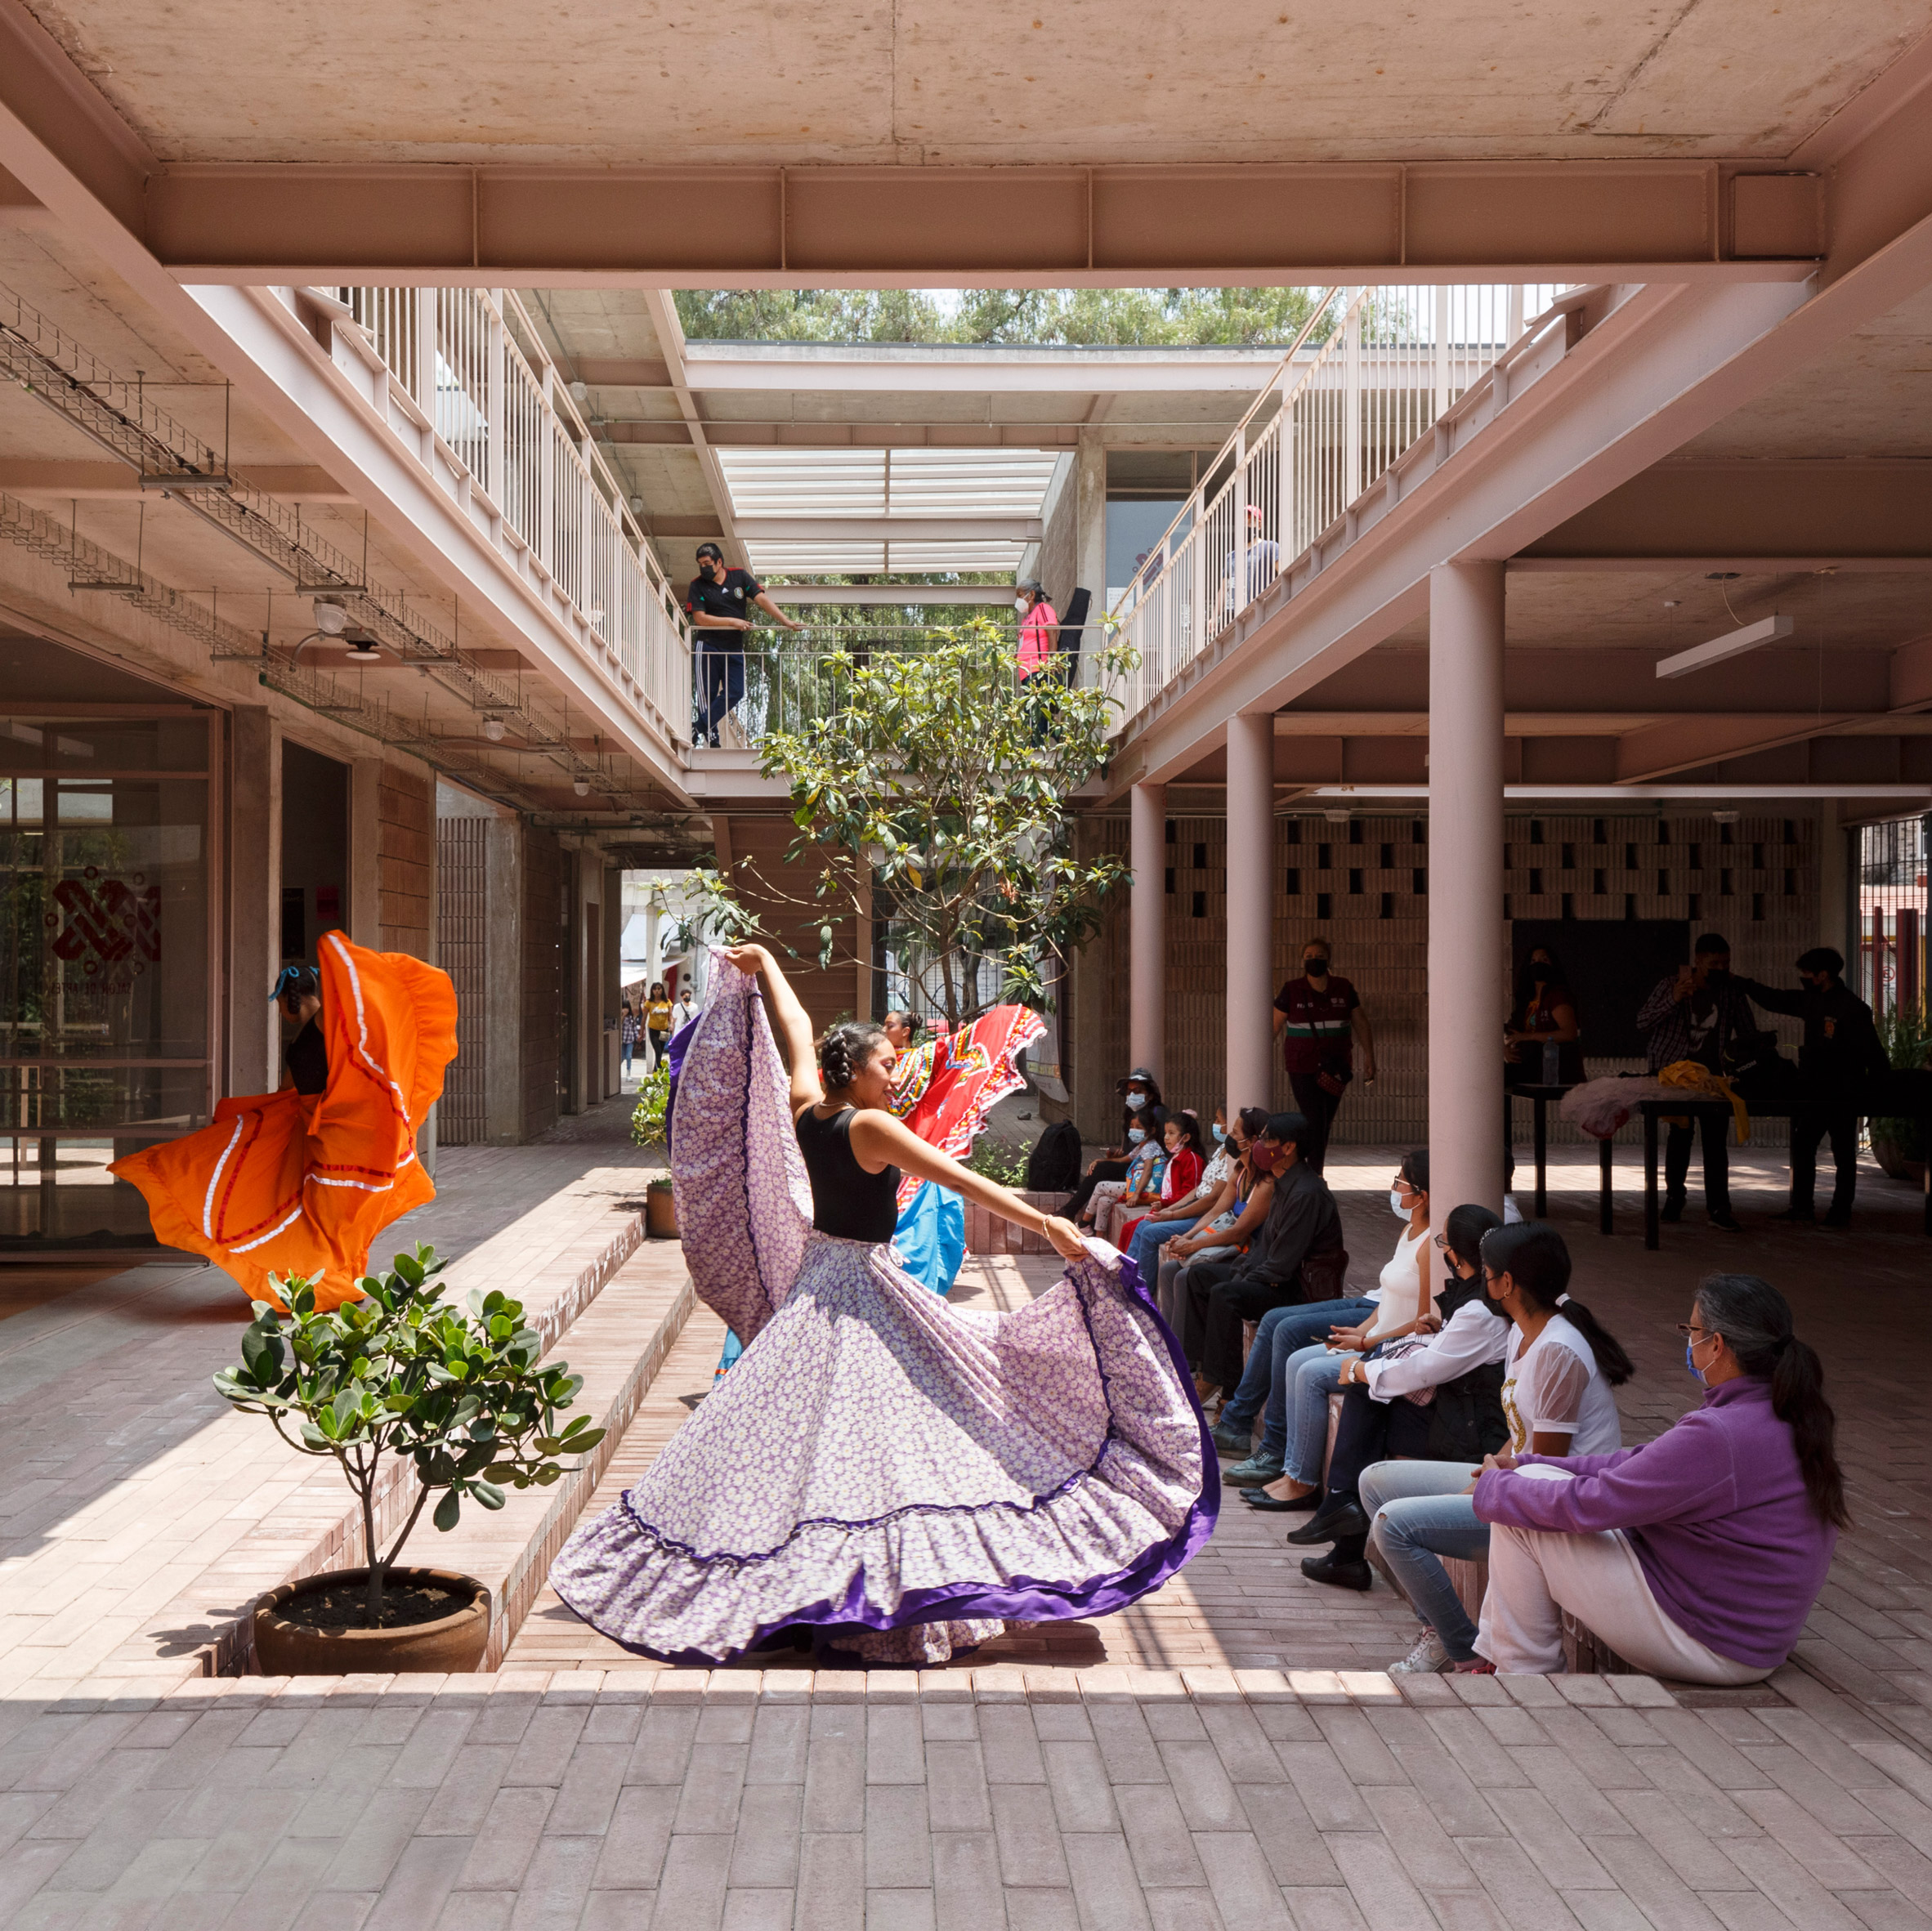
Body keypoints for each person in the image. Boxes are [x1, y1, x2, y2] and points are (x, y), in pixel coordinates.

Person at [548, 946, 1216, 1665]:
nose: (896, 1073)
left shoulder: (808, 1111)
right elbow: (960, 1177)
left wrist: (767, 963)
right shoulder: (873, 1127)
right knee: (890, 1436)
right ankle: (864, 1591)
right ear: (857, 1071)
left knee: (828, 1444)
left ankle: (826, 1584)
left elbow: (796, 1029)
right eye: (886, 1064)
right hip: (861, 1289)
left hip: (818, 1285)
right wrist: (1047, 1225)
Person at [1471, 1272, 1844, 1682]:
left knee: (1517, 1511)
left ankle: (1524, 1677)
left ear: (1717, 1344)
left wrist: (1496, 1488)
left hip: (1714, 1644)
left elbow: (1596, 1503)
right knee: (1529, 1482)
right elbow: (1637, 1464)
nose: (1689, 1342)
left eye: (1692, 1331)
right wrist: (1527, 1465)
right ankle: (1501, 1660)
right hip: (1745, 1636)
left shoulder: (1723, 1433)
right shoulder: (1777, 1413)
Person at [108, 935, 458, 1310]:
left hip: (336, 1129)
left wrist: (336, 953)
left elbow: (348, 1019)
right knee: (320, 1215)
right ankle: (326, 1282)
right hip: (313, 1129)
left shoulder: (323, 1024)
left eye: (280, 1005)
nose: (280, 1012)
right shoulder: (307, 1034)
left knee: (331, 1215)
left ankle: (331, 1281)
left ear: (294, 1000)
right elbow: (288, 1090)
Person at [1302, 1218, 1630, 1614]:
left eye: (1485, 1273)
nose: (1478, 1283)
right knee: (1374, 1481)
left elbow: (1548, 1466)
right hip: (1515, 1478)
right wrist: (1482, 1479)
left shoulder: (1557, 1350)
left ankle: (1448, 1635)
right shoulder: (1521, 1332)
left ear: (1506, 1283)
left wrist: (1483, 1487)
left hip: (1553, 1506)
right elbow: (1522, 1436)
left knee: (1396, 1525)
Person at [1221, 1150, 1433, 1491]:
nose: (1394, 1188)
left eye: (1400, 1182)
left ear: (1421, 1195)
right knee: (1295, 1359)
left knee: (1308, 1371)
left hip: (1391, 1350)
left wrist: (1365, 1342)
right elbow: (1387, 1302)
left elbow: (1422, 1323)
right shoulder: (1408, 1230)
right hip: (1373, 1337)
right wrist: (1359, 1331)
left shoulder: (1430, 1247)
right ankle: (1285, 1465)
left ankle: (1300, 1479)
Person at [1181, 1115, 1343, 1406]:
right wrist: (1241, 1271)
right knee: (1200, 1276)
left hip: (1298, 1289)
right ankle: (1203, 1371)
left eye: (1267, 1140)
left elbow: (1281, 1265)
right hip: (1276, 1277)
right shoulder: (1284, 1183)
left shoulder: (1306, 1193)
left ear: (1288, 1147)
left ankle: (1226, 1392)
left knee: (1227, 1294)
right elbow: (1263, 1246)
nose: (1259, 1146)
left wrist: (1243, 1278)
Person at [1733, 946, 1888, 1227]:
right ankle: (1806, 1207)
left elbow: (1875, 1056)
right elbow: (1775, 999)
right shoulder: (1812, 1001)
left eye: (1807, 973)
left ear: (1822, 975)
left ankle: (1838, 1211)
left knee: (1842, 1152)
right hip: (1816, 1091)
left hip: (1841, 1093)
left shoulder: (1853, 1009)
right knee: (1806, 1146)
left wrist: (1875, 1098)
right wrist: (1742, 984)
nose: (1803, 978)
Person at [1636, 932, 1755, 1230]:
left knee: (1716, 1142)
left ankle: (1719, 1207)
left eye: (1726, 963)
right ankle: (1674, 1198)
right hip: (1676, 1074)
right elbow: (1643, 1021)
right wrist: (1674, 999)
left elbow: (1748, 1032)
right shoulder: (1671, 985)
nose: (1721, 969)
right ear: (1698, 961)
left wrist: (1742, 1063)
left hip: (1714, 1077)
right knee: (1680, 1136)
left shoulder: (1730, 991)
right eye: (1714, 964)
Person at [1155, 1119, 1273, 1333]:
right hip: (1228, 1247)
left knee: (1184, 1276)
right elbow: (1215, 1212)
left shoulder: (1266, 1184)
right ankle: (1168, 1339)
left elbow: (1238, 1231)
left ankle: (1184, 1350)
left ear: (1252, 1141)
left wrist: (1193, 1245)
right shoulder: (1239, 1172)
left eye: (1235, 1132)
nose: (1229, 1136)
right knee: (1168, 1270)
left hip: (1248, 1255)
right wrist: (1187, 1237)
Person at [685, 542, 803, 747]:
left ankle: (698, 727)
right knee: (707, 695)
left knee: (736, 691)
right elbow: (700, 619)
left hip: (734, 647)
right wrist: (732, 622)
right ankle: (712, 738)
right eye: (700, 564)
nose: (703, 568)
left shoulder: (739, 577)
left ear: (719, 562)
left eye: (707, 564)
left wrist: (786, 621)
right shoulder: (697, 585)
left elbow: (762, 599)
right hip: (708, 645)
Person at [1272, 939, 1375, 1171]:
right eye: (1308, 956)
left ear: (1329, 959)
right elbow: (1273, 1026)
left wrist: (1370, 1056)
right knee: (1315, 1119)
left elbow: (1361, 1022)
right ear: (1302, 960)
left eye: (1319, 955)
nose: (1314, 960)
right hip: (1302, 1066)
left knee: (1324, 1121)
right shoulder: (1292, 990)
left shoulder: (1344, 988)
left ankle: (1311, 1169)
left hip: (1336, 1067)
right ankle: (1313, 1172)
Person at [1125, 1105, 1238, 1282]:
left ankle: (1143, 1289)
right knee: (1142, 1226)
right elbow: (1198, 1190)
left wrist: (1173, 1215)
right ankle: (1127, 1280)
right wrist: (1169, 1210)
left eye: (1218, 1120)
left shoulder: (1225, 1158)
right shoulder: (1220, 1150)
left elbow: (1212, 1200)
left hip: (1204, 1215)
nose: (1214, 1123)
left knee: (1150, 1232)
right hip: (1193, 1208)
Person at [1061, 1069, 1164, 1222]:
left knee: (1101, 1171)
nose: (1132, 1095)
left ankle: (1072, 1214)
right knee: (1100, 1169)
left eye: (1137, 1091)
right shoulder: (1131, 1113)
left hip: (1145, 1174)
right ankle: (1083, 1222)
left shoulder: (1158, 1114)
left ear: (1149, 1094)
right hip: (1133, 1166)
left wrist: (1136, 1194)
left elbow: (1151, 1162)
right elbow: (1128, 1156)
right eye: (1129, 1092)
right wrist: (1105, 1159)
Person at [1113, 1110, 1204, 1249]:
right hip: (1166, 1208)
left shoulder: (1192, 1159)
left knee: (1138, 1229)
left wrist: (1165, 1204)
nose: (1166, 1138)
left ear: (1185, 1138)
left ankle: (1131, 1263)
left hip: (1180, 1212)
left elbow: (1190, 1193)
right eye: (1166, 1133)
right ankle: (1123, 1262)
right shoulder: (1175, 1157)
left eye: (1171, 1133)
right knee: (1128, 1228)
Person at [1081, 1106, 1169, 1240]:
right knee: (1105, 1200)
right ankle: (1099, 1238)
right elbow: (1123, 1159)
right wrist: (1102, 1161)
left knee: (1101, 1186)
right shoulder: (1142, 1146)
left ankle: (1083, 1223)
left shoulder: (1150, 1147)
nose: (1134, 1130)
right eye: (1132, 1127)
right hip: (1138, 1187)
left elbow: (1147, 1171)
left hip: (1143, 1190)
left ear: (1151, 1130)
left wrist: (1136, 1195)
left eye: (1139, 1127)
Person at [1505, 946, 1584, 1088]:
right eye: (1533, 961)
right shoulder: (1526, 1000)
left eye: (1544, 960)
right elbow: (1512, 1033)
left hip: (1554, 1069)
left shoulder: (1558, 996)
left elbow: (1569, 1033)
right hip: (1529, 1065)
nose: (1538, 965)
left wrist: (1528, 1037)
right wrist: (1506, 1050)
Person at [1221, 503, 1281, 617]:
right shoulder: (1231, 556)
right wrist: (1215, 616)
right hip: (1233, 614)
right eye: (1243, 521)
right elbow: (1224, 588)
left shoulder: (1270, 547)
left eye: (1250, 521)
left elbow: (1283, 574)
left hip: (1260, 610)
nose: (1245, 525)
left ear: (1259, 525)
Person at [645, 982, 673, 1069]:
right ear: (652, 991)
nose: (657, 991)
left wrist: (672, 1024)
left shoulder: (667, 1002)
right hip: (653, 1029)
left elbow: (670, 1016)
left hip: (664, 1029)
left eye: (659, 989)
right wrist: (641, 1031)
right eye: (655, 989)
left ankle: (655, 1070)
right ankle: (660, 1070)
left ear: (662, 990)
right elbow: (644, 1018)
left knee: (661, 1051)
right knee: (657, 1050)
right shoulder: (649, 1003)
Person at [619, 1001, 640, 1077]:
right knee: (622, 1057)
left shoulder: (632, 1018)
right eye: (624, 1008)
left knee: (629, 1056)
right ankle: (616, 1070)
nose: (625, 1010)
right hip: (622, 1040)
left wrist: (637, 1036)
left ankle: (628, 1073)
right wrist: (623, 1015)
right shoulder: (621, 1017)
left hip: (630, 1040)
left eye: (627, 1008)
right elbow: (619, 1024)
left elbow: (634, 1028)